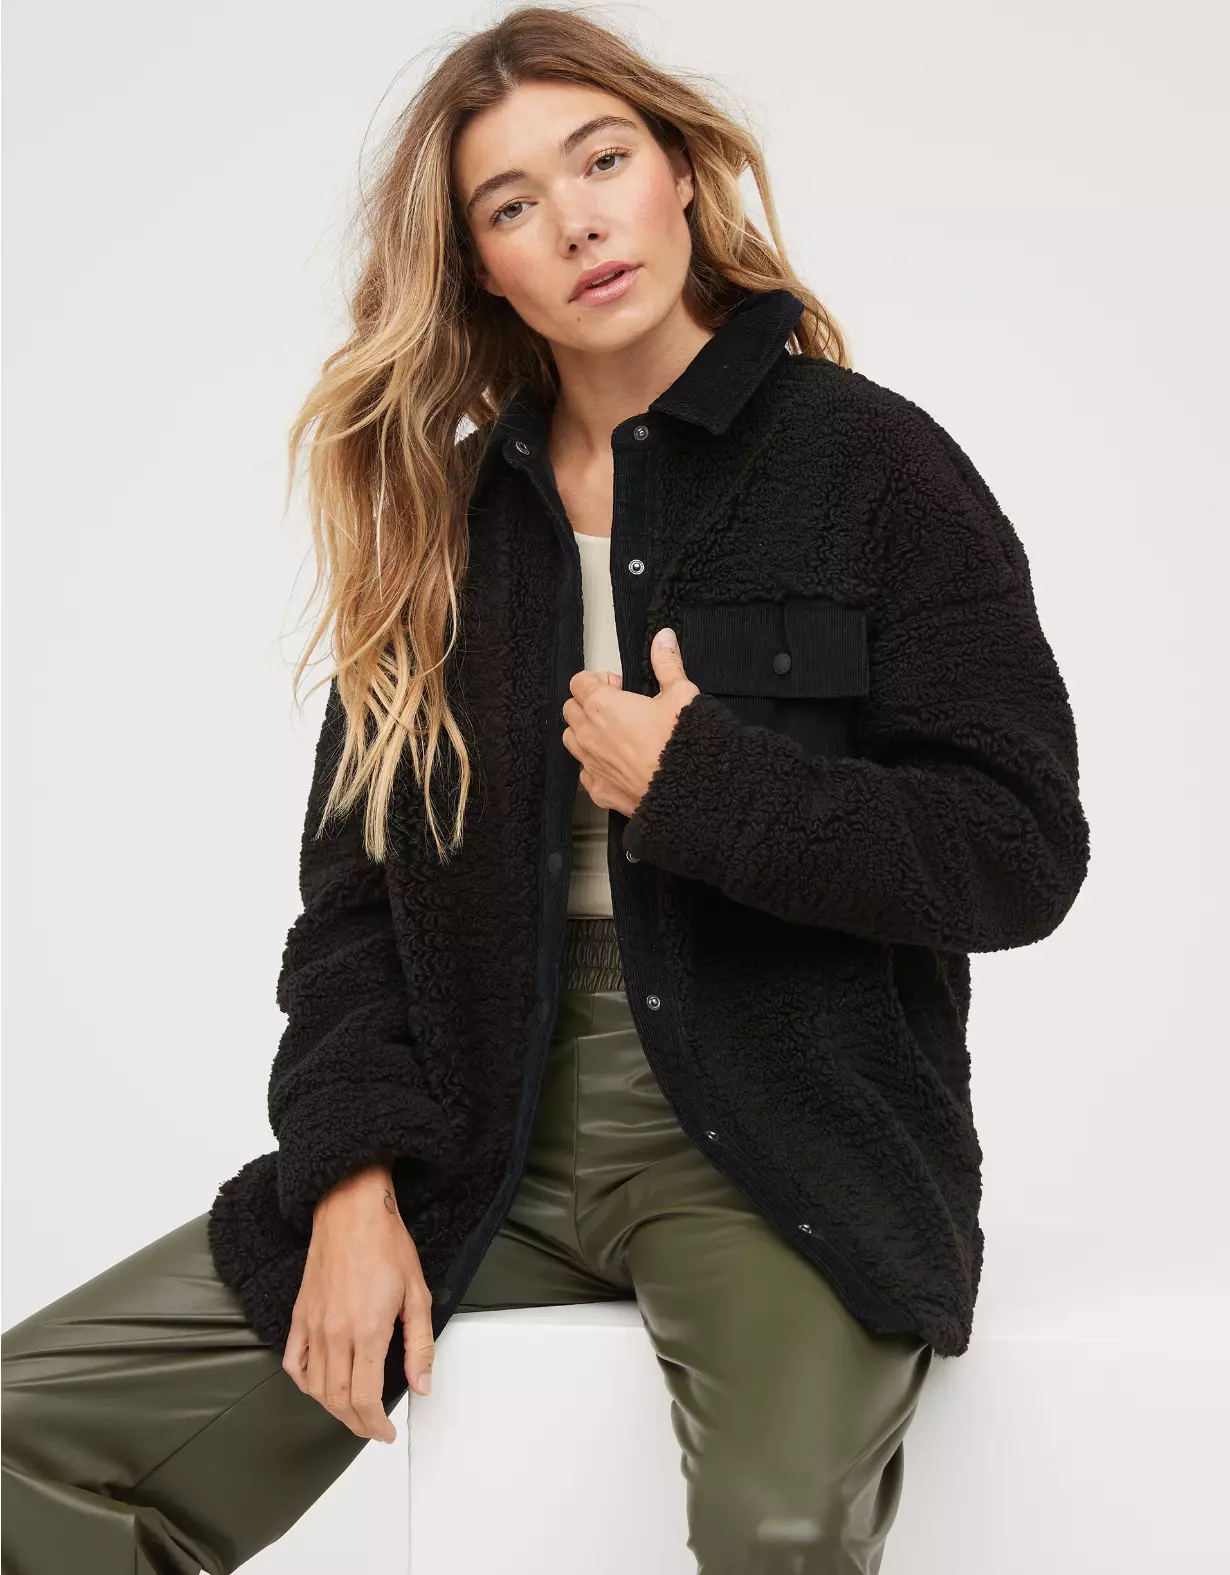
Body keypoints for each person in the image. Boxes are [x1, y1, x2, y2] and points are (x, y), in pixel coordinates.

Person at [1, 7, 1091, 1574]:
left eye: (602, 160)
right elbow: (351, 912)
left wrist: (704, 785)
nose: (577, 221)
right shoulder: (441, 524)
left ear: (678, 173)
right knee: (21, 1432)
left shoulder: (873, 465)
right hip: (471, 1122)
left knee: (779, 1532)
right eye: (512, 203)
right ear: (479, 267)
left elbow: (1017, 847)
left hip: (777, 1128)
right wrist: (350, 1176)